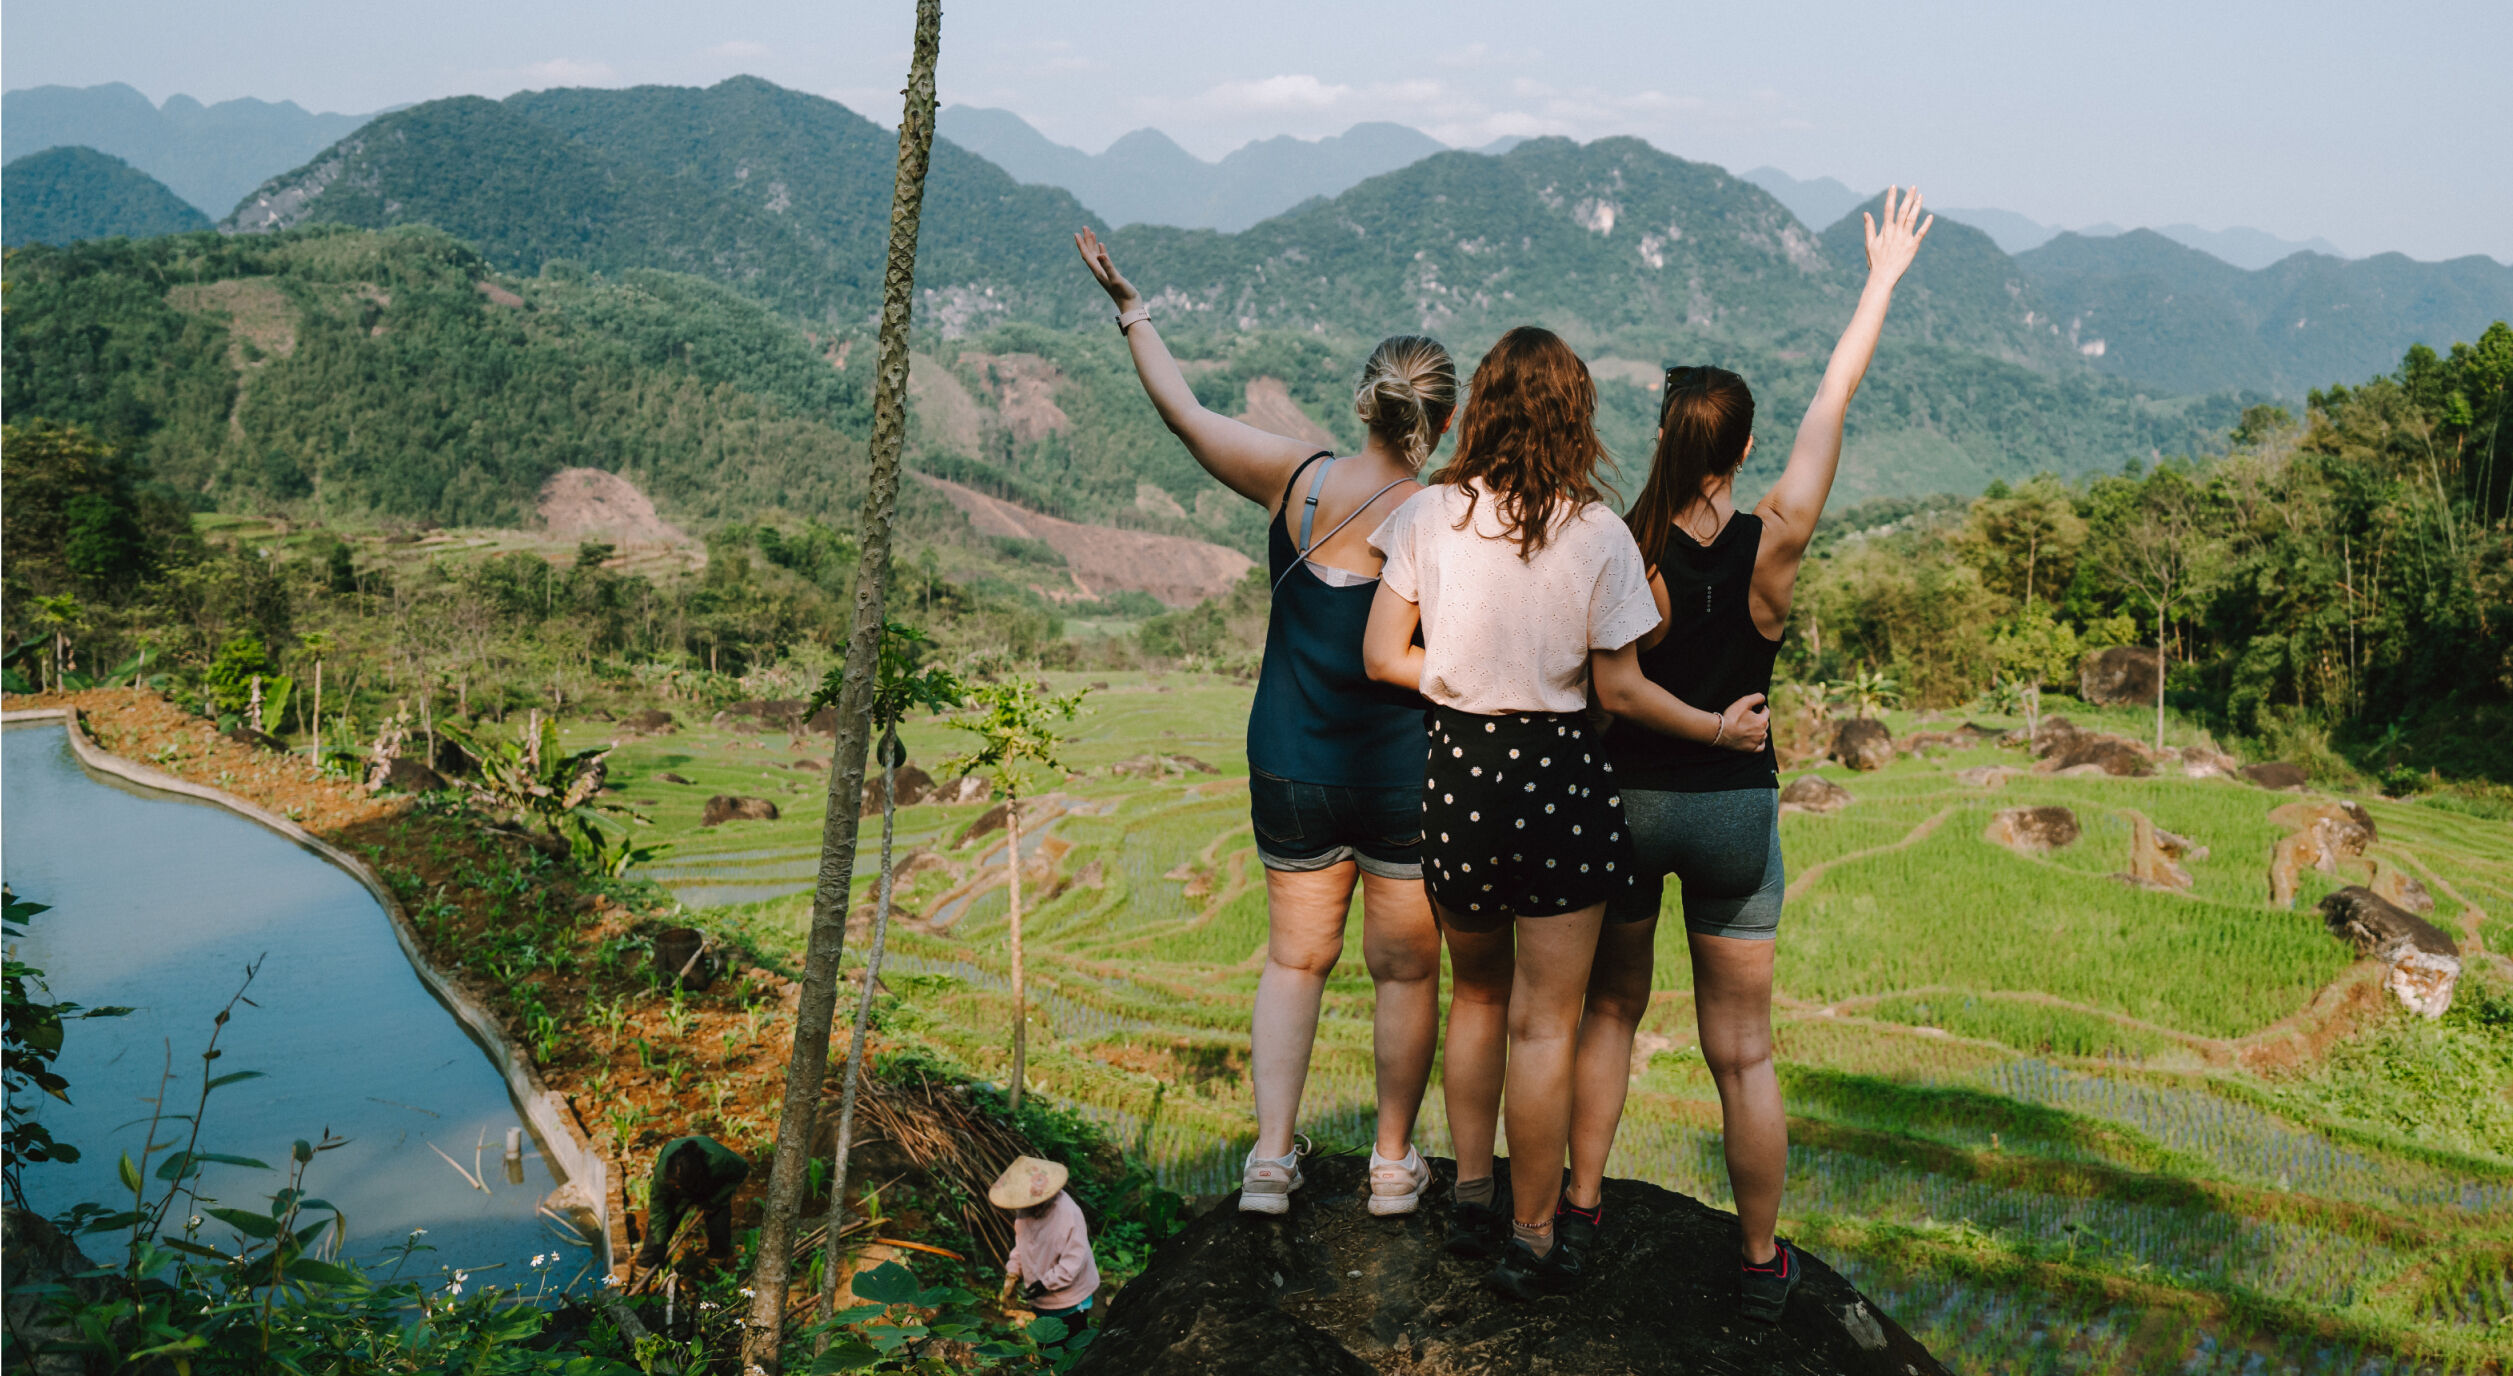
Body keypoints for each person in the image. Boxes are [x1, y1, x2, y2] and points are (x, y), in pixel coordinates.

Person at [1574, 186, 1933, 1323]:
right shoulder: (1773, 535)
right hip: (1733, 810)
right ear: (1737, 450)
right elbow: (1834, 397)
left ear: (1667, 440)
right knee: (1742, 1052)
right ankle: (1758, 1258)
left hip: (1628, 800)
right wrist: (1878, 277)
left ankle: (1578, 1206)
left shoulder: (1621, 540)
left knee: (1608, 1014)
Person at [1361, 326, 1769, 1300]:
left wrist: (1462, 675)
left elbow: (1382, 655)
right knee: (1546, 1024)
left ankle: (1467, 1193)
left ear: (1481, 407)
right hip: (1559, 779)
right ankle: (1533, 1232)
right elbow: (1616, 682)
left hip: (1457, 768)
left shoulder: (1428, 514)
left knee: (1474, 995)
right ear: (1575, 415)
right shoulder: (1596, 534)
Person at [1075, 228, 1450, 1218]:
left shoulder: (1298, 476)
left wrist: (1131, 306)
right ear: (1438, 421)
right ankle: (1387, 1162)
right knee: (1404, 970)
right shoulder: (1439, 516)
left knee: (1293, 960)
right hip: (1401, 775)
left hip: (1287, 759)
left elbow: (1185, 414)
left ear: (1365, 401)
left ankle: (1269, 1164)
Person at [991, 1155, 1101, 1347]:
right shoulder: (1025, 1211)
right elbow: (1022, 1245)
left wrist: (1045, 1283)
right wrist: (1013, 1273)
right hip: (1041, 1298)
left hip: (1071, 1299)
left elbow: (1073, 1261)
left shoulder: (1068, 1213)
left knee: (1071, 1350)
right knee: (1047, 1349)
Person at [635, 1134, 749, 1267]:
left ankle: (717, 1261)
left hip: (713, 1184)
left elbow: (742, 1170)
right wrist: (658, 1245)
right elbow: (659, 1212)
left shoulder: (719, 1160)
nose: (677, 1187)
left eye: (680, 1185)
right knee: (658, 1233)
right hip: (683, 1183)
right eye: (675, 1185)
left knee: (718, 1221)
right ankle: (646, 1263)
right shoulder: (663, 1176)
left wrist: (716, 1199)